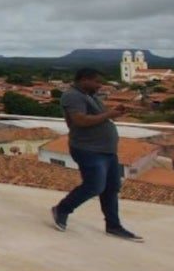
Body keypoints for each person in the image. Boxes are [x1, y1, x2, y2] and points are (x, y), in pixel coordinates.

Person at [51, 69, 143, 242]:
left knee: (111, 188)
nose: (99, 85)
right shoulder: (72, 96)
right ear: (84, 80)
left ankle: (113, 226)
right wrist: (110, 114)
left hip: (107, 151)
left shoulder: (90, 96)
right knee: (94, 186)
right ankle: (62, 209)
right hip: (88, 149)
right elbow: (80, 120)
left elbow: (100, 117)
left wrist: (114, 112)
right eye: (96, 82)